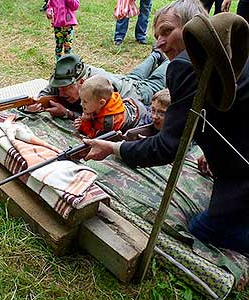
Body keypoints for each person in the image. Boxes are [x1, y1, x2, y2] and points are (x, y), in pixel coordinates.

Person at [83, 0, 249, 254]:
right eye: (156, 35)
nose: (158, 42)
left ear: (194, 28)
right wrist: (213, 147)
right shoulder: (232, 49)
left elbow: (167, 147)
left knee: (203, 230)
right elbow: (229, 111)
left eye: (166, 31)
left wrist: (113, 148)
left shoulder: (185, 65)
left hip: (242, 172)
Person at [33, 51, 168, 119]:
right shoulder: (67, 76)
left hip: (135, 93)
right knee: (135, 75)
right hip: (121, 79)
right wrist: (37, 102)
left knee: (155, 80)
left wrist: (67, 113)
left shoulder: (96, 91)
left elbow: (98, 121)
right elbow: (45, 94)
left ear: (82, 82)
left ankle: (169, 57)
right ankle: (156, 54)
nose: (60, 93)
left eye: (65, 88)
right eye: (59, 88)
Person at [74, 74, 148, 138]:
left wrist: (85, 122)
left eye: (85, 102)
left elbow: (94, 138)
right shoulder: (103, 100)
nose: (81, 104)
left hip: (140, 118)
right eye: (81, 100)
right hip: (134, 105)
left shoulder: (108, 123)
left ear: (101, 103)